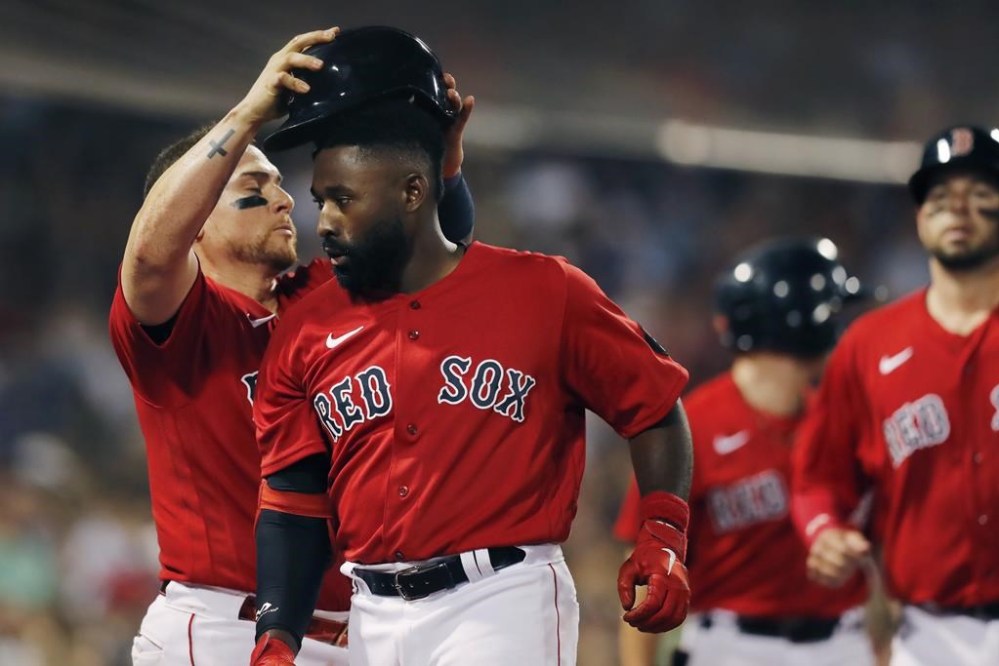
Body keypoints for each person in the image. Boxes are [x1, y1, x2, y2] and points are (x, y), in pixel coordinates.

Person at [248, 34, 695, 666]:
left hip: (502, 598)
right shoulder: (305, 328)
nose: (323, 224)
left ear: (411, 192)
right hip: (370, 613)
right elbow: (292, 502)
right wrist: (277, 636)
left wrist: (663, 531)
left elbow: (654, 407)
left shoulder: (544, 290)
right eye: (322, 202)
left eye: (343, 201)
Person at [109, 25, 476, 665]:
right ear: (196, 223)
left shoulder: (322, 300)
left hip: (356, 629)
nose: (282, 199)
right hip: (225, 628)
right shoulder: (185, 325)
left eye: (281, 184)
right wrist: (249, 115)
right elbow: (147, 256)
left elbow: (430, 244)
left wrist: (433, 157)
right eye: (252, 189)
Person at [791, 125, 999, 666]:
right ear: (919, 217)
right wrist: (825, 532)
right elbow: (819, 478)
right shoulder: (869, 346)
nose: (958, 211)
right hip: (929, 636)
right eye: (939, 198)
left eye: (980, 196)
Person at [614, 238, 876, 666]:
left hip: (844, 643)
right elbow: (646, 573)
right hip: (731, 648)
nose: (842, 328)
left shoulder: (848, 419)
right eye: (834, 313)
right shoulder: (691, 426)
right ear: (802, 322)